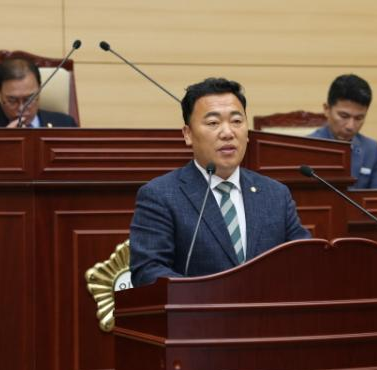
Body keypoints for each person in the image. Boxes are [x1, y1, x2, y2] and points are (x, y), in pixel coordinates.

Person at [130, 77, 310, 287]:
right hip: (198, 308)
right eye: (213, 123)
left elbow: (305, 260)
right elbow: (148, 271)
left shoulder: (275, 194)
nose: (228, 133)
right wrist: (211, 296)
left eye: (236, 121)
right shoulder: (161, 195)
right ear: (188, 134)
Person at [310, 74, 377, 189]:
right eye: (344, 116)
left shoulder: (372, 149)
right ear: (327, 109)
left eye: (359, 118)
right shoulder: (307, 147)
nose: (350, 126)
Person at [0, 57, 77, 128]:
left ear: (39, 90)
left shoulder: (65, 125)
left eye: (29, 99)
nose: (22, 108)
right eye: (12, 100)